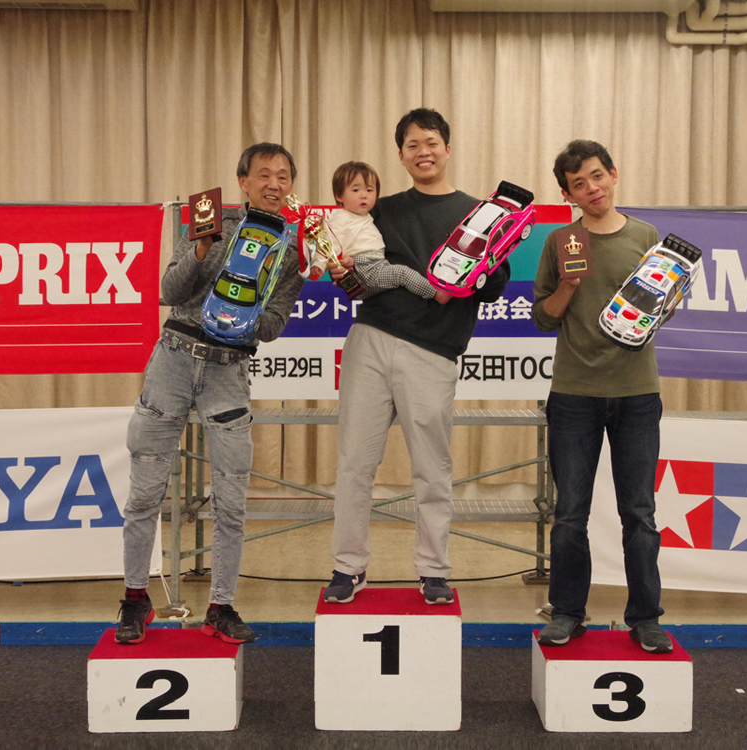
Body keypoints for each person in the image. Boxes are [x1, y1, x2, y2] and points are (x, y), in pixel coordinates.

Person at [115, 143, 304, 645]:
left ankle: (221, 606)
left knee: (231, 499)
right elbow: (169, 291)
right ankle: (135, 599)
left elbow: (274, 325)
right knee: (145, 491)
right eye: (263, 174)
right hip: (173, 359)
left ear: (291, 187)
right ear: (243, 182)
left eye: (283, 177)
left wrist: (242, 315)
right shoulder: (208, 223)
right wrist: (201, 251)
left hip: (228, 370)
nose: (273, 184)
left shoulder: (290, 251)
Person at [323, 109, 510, 605]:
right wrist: (343, 273)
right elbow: (356, 281)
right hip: (371, 340)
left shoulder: (479, 214)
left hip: (434, 351)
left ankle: (433, 570)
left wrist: (483, 264)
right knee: (354, 462)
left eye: (430, 142)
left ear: (447, 148)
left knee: (432, 467)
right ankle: (348, 566)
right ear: (401, 155)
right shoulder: (378, 210)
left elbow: (494, 287)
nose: (422, 152)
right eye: (412, 145)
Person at [532, 139, 672, 654]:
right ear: (567, 195)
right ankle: (568, 613)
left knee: (640, 513)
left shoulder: (646, 236)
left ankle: (646, 618)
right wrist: (569, 286)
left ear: (614, 174)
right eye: (578, 184)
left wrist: (661, 307)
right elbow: (542, 317)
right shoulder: (560, 241)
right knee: (571, 513)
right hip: (574, 394)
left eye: (596, 176)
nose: (591, 188)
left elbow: (661, 306)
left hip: (637, 393)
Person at [305, 161, 450, 305]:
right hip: (365, 269)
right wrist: (319, 265)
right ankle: (437, 293)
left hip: (373, 266)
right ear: (339, 196)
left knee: (400, 281)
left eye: (369, 190)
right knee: (402, 273)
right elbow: (327, 245)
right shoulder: (340, 219)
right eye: (355, 190)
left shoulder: (364, 215)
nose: (364, 195)